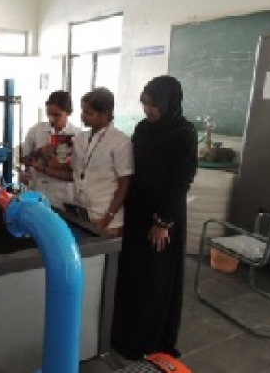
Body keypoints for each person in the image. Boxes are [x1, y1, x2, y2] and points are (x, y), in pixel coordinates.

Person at [111, 75, 198, 360]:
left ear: (169, 103)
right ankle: (124, 334)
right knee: (132, 273)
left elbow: (181, 181)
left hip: (163, 216)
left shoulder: (184, 133)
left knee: (155, 280)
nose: (148, 110)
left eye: (154, 104)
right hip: (137, 211)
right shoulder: (143, 128)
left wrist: (163, 222)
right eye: (145, 103)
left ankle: (148, 341)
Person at [69, 88, 133, 235]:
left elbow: (124, 183)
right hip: (82, 213)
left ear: (105, 114)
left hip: (107, 218)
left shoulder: (120, 142)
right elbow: (75, 173)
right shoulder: (80, 138)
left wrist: (107, 218)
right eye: (83, 111)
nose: (83, 116)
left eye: (89, 113)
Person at [21, 90, 79, 209]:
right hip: (38, 194)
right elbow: (24, 159)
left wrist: (54, 166)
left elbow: (76, 173)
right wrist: (40, 151)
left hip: (64, 197)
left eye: (56, 115)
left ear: (68, 112)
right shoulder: (36, 131)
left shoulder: (78, 136)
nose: (51, 119)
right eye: (49, 114)